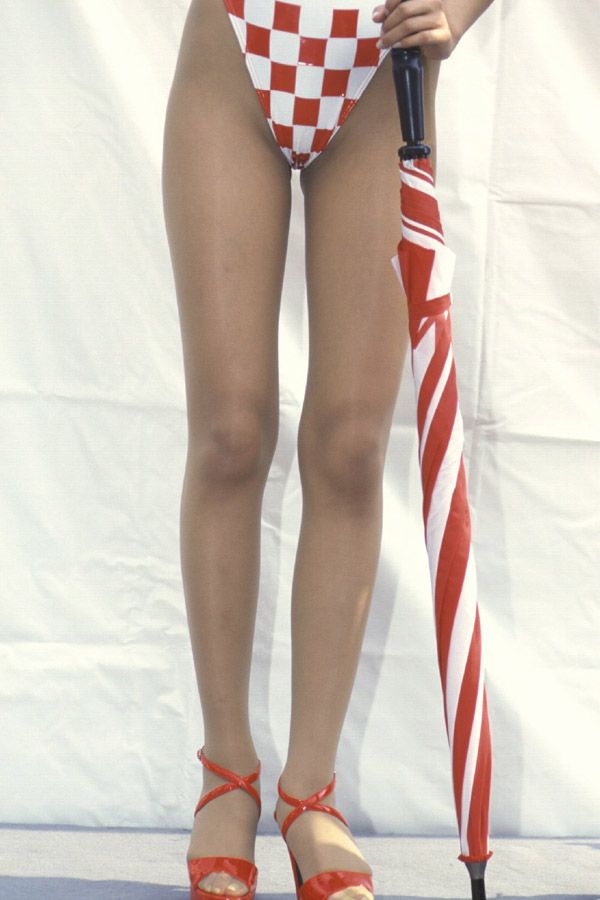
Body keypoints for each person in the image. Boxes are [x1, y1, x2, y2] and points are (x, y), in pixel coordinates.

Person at [161, 2, 494, 898]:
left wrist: (459, 9)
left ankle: (310, 791)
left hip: (384, 70)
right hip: (238, 50)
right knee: (230, 433)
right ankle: (227, 772)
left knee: (349, 444)